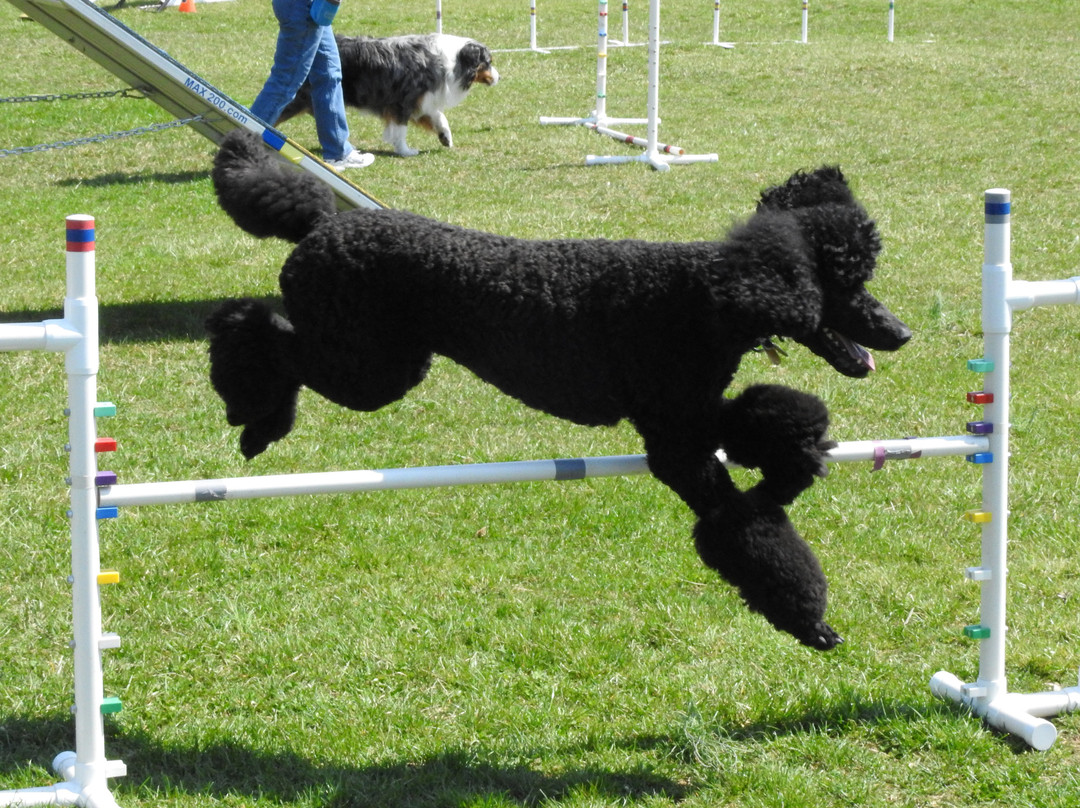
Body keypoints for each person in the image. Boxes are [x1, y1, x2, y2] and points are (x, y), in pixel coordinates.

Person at [251, 0, 373, 170]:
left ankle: (338, 152)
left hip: (313, 6)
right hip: (303, 7)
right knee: (286, 80)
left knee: (329, 73)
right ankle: (241, 145)